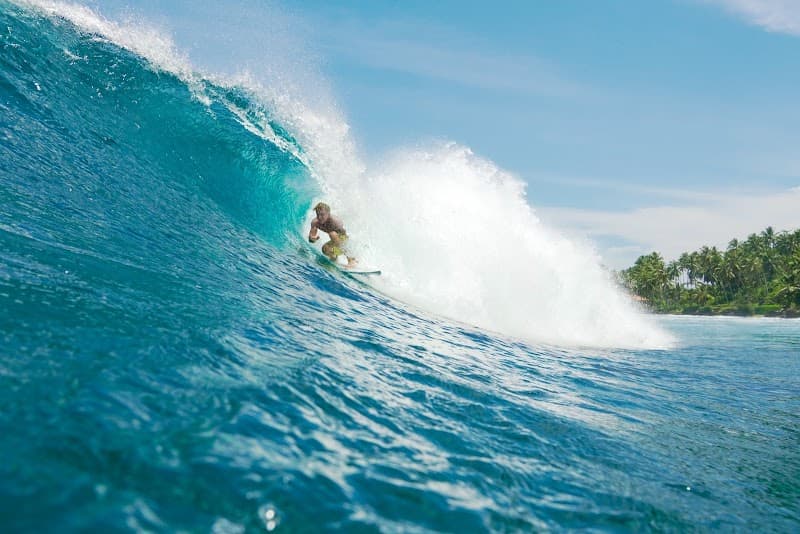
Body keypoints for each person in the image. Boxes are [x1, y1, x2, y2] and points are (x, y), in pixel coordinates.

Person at [308, 202, 356, 266]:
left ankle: (351, 260)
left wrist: (347, 253)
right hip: (336, 244)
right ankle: (334, 258)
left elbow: (345, 238)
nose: (319, 217)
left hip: (344, 242)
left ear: (328, 214)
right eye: (317, 214)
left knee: (332, 234)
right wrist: (312, 239)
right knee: (324, 249)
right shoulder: (315, 223)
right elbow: (311, 239)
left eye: (322, 214)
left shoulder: (335, 222)